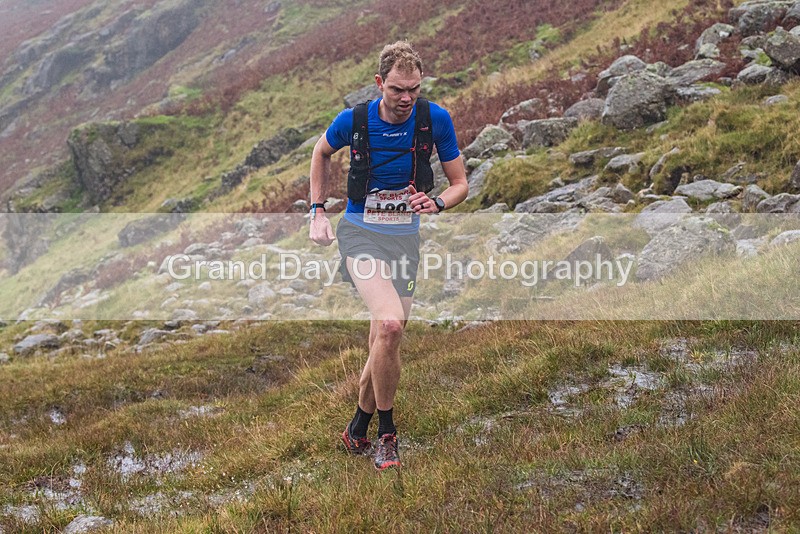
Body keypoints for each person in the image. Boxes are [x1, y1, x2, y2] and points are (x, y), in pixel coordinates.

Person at [308, 41, 468, 470]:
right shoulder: (354, 121)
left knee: (385, 337)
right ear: (380, 83)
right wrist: (317, 211)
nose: (406, 98)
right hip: (360, 234)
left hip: (405, 238)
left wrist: (438, 204)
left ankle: (356, 426)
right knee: (392, 325)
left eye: (414, 89)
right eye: (397, 89)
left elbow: (459, 184)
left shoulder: (434, 119)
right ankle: (387, 436)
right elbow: (320, 153)